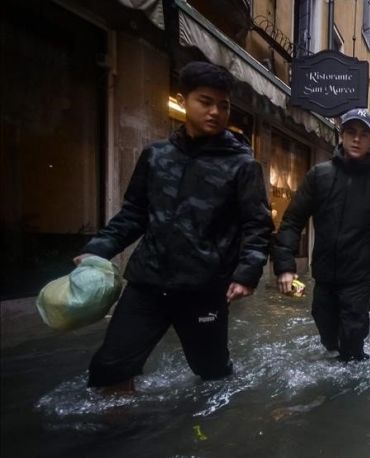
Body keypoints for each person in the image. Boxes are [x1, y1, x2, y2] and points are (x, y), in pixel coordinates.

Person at [75, 61, 273, 394]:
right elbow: (134, 213)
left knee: (210, 370)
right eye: (205, 102)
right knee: (110, 365)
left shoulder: (242, 165)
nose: (215, 112)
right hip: (147, 282)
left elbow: (257, 225)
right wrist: (98, 249)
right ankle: (115, 435)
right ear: (184, 101)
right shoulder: (156, 156)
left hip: (204, 287)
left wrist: (246, 274)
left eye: (223, 105)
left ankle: (209, 430)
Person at [273, 108, 370, 362]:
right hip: (323, 273)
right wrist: (285, 266)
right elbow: (292, 221)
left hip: (358, 276)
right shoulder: (319, 176)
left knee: (353, 341)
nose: (357, 139)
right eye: (351, 132)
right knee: (327, 333)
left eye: (364, 134)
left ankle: (352, 376)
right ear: (341, 136)